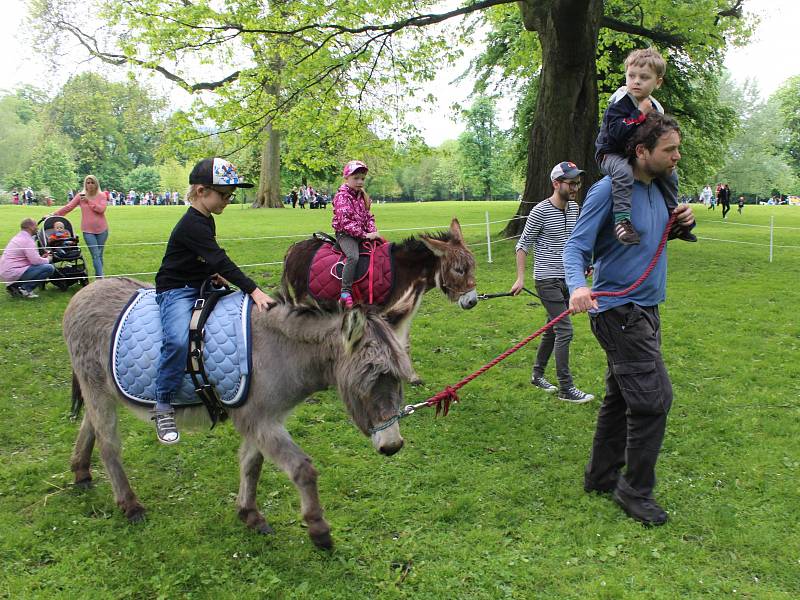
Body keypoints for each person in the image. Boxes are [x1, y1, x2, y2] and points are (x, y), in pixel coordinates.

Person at [564, 113, 696, 526]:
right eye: (669, 150)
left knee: (621, 396)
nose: (676, 157)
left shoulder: (659, 189)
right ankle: (634, 490)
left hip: (647, 309)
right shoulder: (608, 191)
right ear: (641, 152)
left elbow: (647, 239)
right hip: (618, 312)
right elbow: (575, 248)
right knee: (654, 400)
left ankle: (601, 477)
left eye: (677, 149)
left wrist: (680, 225)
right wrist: (576, 287)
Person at [152, 157, 277, 444]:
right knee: (178, 341)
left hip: (199, 284)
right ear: (200, 191)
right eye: (223, 195)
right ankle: (163, 404)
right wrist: (253, 290)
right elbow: (219, 257)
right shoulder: (191, 224)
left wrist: (212, 275)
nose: (227, 200)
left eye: (230, 196)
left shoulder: (205, 219)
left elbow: (206, 259)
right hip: (176, 290)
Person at [510, 161, 595, 404]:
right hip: (547, 279)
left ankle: (537, 375)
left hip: (568, 279)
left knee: (551, 328)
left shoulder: (575, 208)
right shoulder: (540, 211)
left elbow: (576, 241)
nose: (575, 187)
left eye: (577, 182)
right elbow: (522, 245)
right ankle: (566, 388)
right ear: (556, 184)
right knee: (564, 330)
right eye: (571, 183)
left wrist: (583, 264)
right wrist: (520, 278)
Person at [595, 47, 696, 246]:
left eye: (644, 77)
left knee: (670, 174)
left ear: (657, 82)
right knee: (623, 172)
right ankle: (622, 220)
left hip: (636, 155)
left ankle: (672, 217)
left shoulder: (656, 107)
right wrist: (639, 114)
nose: (636, 81)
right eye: (631, 76)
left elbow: (656, 137)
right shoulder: (619, 102)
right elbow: (615, 134)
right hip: (611, 154)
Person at [331, 160, 380, 308]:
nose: (360, 182)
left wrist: (372, 231)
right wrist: (364, 235)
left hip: (362, 233)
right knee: (353, 256)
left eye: (362, 179)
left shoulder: (362, 196)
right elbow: (345, 222)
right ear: (346, 177)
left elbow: (368, 217)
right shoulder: (342, 197)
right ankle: (345, 292)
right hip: (346, 235)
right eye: (356, 178)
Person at [53, 175, 109, 278]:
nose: (90, 185)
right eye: (88, 183)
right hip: (88, 231)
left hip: (102, 230)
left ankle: (99, 275)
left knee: (99, 254)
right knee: (95, 254)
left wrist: (89, 201)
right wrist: (54, 215)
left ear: (96, 184)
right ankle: (100, 278)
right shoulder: (80, 196)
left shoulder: (102, 195)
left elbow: (101, 209)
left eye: (92, 182)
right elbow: (68, 207)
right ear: (85, 184)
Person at [0, 218, 54, 299]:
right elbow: (35, 261)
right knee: (49, 268)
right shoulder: (27, 240)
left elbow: (28, 258)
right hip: (13, 271)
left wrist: (41, 258)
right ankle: (25, 289)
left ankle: (14, 286)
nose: (37, 228)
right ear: (30, 227)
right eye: (36, 226)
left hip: (6, 271)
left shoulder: (19, 236)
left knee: (43, 265)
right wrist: (48, 259)